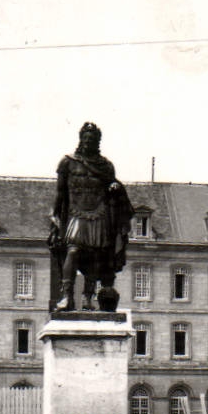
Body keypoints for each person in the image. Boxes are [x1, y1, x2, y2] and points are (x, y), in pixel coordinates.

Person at [48, 122, 133, 312]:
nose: (88, 142)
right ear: (81, 139)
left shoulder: (105, 165)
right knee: (73, 251)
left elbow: (114, 186)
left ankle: (88, 298)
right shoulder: (67, 162)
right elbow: (60, 194)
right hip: (76, 213)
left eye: (92, 139)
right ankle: (67, 296)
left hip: (99, 213)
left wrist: (115, 188)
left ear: (97, 141)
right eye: (86, 138)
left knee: (95, 256)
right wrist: (55, 219)